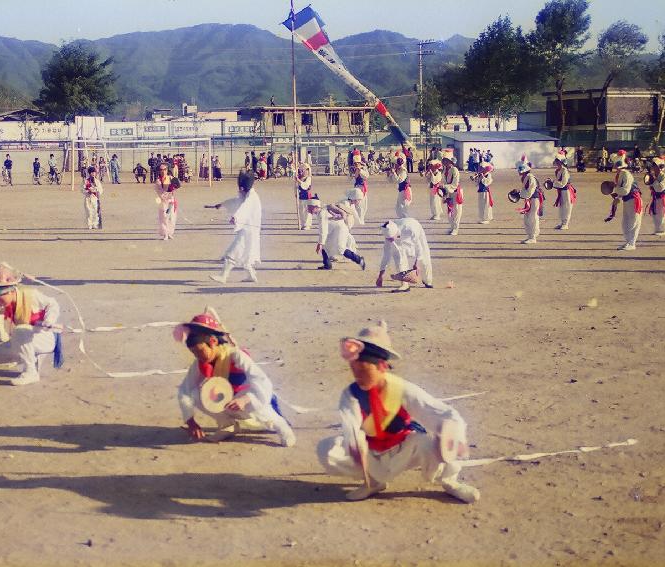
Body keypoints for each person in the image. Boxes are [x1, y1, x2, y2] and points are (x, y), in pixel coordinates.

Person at [316, 321, 480, 502]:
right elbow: (350, 425)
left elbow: (440, 413)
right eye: (354, 369)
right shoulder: (350, 394)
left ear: (381, 366)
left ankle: (450, 482)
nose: (358, 376)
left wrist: (453, 437)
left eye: (364, 370)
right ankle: (373, 481)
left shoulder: (402, 389)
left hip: (405, 447)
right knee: (329, 448)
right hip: (371, 449)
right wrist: (355, 443)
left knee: (437, 439)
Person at [174, 307, 295, 446]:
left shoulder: (235, 355)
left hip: (247, 396)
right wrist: (191, 422)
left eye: (201, 351)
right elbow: (185, 390)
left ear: (213, 342)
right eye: (194, 352)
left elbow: (262, 380)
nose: (198, 356)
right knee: (196, 394)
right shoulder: (200, 362)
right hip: (224, 397)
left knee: (260, 406)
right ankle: (227, 425)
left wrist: (245, 399)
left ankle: (282, 427)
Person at [0, 263, 63, 386]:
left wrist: (49, 320)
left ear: (9, 291)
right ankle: (30, 359)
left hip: (45, 337)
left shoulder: (30, 294)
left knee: (20, 331)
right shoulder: (5, 303)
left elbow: (52, 304)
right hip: (25, 339)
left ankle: (30, 373)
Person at [208, 170, 261, 284]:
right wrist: (222, 204)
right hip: (248, 231)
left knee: (233, 252)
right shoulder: (247, 195)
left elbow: (244, 208)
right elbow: (236, 201)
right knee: (247, 254)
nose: (240, 190)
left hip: (248, 231)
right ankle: (251, 276)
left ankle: (223, 276)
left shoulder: (251, 197)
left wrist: (236, 218)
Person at [307, 197, 366, 271]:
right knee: (325, 246)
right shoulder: (322, 210)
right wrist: (322, 243)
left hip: (340, 230)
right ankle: (327, 265)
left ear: (315, 206)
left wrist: (320, 243)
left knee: (340, 249)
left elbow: (323, 230)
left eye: (309, 207)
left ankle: (359, 260)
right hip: (334, 231)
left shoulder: (322, 214)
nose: (308, 210)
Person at [376, 218, 434, 292]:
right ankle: (404, 284)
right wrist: (381, 275)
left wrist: (417, 263)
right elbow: (386, 255)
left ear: (396, 233)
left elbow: (419, 248)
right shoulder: (388, 235)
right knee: (397, 255)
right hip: (400, 230)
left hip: (414, 225)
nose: (390, 241)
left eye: (391, 239)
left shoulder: (410, 230)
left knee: (425, 253)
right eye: (388, 239)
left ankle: (427, 280)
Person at [605, 150, 642, 250]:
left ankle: (632, 243)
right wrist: (617, 197)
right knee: (626, 222)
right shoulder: (619, 174)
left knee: (633, 221)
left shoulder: (625, 174)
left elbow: (625, 190)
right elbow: (621, 190)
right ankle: (628, 242)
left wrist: (614, 190)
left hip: (633, 199)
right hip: (627, 200)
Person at [516, 161, 542, 244]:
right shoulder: (525, 177)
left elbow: (531, 191)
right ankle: (530, 236)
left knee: (532, 217)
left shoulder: (530, 178)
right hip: (529, 199)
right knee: (527, 217)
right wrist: (520, 193)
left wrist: (520, 194)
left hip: (534, 199)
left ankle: (533, 237)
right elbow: (525, 191)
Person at [552, 151, 576, 230]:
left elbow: (563, 183)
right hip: (561, 190)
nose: (557, 163)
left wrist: (553, 183)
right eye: (556, 161)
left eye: (558, 161)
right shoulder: (558, 170)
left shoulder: (565, 171)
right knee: (562, 207)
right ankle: (562, 222)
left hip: (566, 191)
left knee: (567, 207)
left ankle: (566, 224)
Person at [441, 150, 464, 236]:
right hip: (449, 192)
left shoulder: (455, 170)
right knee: (449, 210)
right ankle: (452, 227)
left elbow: (455, 184)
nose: (444, 162)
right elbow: (444, 181)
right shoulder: (445, 170)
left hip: (456, 191)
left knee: (456, 211)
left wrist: (444, 187)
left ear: (450, 161)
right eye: (444, 160)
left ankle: (455, 228)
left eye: (446, 160)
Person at [156, 163, 179, 240]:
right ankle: (165, 233)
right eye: (161, 170)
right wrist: (169, 190)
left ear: (167, 170)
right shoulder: (158, 181)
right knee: (164, 218)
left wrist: (174, 188)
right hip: (163, 202)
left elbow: (177, 186)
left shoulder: (171, 178)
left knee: (172, 218)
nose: (163, 171)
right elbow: (160, 192)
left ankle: (170, 233)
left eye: (165, 169)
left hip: (171, 201)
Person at [647, 156, 665, 236]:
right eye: (653, 165)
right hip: (656, 196)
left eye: (655, 165)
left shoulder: (663, 176)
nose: (654, 167)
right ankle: (657, 229)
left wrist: (654, 181)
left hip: (662, 197)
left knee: (662, 213)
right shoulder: (655, 175)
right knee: (655, 213)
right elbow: (651, 186)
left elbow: (660, 188)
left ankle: (663, 230)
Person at [387, 151, 412, 218]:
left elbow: (399, 180)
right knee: (398, 206)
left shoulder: (403, 170)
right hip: (401, 190)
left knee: (403, 206)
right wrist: (389, 175)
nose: (394, 166)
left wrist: (394, 173)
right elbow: (391, 181)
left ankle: (405, 219)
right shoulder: (397, 170)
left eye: (394, 164)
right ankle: (402, 218)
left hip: (405, 189)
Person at [296, 163, 315, 230]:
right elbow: (297, 187)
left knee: (307, 210)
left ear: (307, 171)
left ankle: (307, 224)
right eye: (301, 171)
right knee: (302, 210)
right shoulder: (300, 178)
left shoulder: (308, 178)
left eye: (303, 170)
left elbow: (305, 186)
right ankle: (303, 223)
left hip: (307, 196)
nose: (302, 172)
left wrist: (299, 181)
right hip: (301, 196)